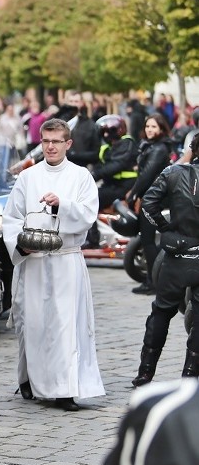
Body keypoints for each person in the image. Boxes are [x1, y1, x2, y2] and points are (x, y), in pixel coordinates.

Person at [2, 118, 105, 411]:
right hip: (34, 261)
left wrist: (62, 205)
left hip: (65, 260)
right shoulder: (28, 177)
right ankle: (31, 380)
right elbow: (12, 217)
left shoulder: (80, 177)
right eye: (46, 141)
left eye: (56, 141)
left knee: (64, 324)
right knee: (32, 322)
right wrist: (20, 244)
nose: (50, 147)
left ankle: (64, 389)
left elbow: (88, 214)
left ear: (67, 144)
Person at [130, 135, 199, 387]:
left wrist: (165, 227)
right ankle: (189, 379)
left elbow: (148, 202)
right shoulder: (174, 172)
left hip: (178, 254)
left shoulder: (173, 172)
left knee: (161, 312)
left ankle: (145, 373)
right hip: (185, 253)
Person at [126, 113, 172, 295]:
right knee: (146, 240)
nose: (150, 130)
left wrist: (133, 193)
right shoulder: (149, 146)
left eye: (154, 127)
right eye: (148, 126)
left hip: (154, 198)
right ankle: (151, 280)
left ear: (161, 129)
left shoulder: (159, 148)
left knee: (148, 240)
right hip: (149, 196)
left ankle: (153, 282)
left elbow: (147, 175)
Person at [85, 114, 138, 248]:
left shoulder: (127, 143)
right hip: (112, 185)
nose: (107, 134)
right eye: (104, 131)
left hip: (124, 186)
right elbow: (93, 159)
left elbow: (116, 165)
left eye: (109, 131)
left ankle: (93, 239)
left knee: (90, 199)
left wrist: (93, 175)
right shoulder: (107, 147)